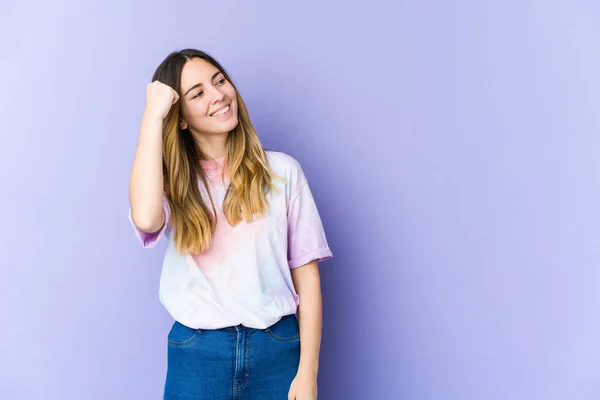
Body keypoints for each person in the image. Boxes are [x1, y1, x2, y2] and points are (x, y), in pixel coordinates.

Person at [128, 48, 333, 400]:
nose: (218, 95)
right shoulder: (172, 183)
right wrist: (153, 114)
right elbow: (146, 217)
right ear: (180, 118)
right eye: (198, 93)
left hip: (278, 350)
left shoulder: (283, 172)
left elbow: (308, 279)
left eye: (219, 81)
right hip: (197, 354)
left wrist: (307, 373)